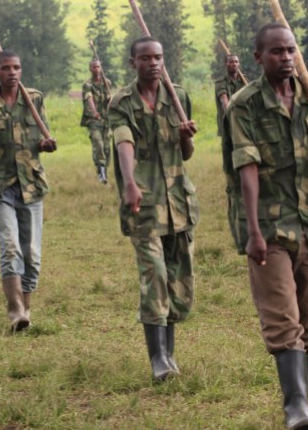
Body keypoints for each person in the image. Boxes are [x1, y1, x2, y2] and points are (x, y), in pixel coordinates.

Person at [223, 23, 308, 430]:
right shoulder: (245, 105)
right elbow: (247, 167)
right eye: (277, 51)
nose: (286, 58)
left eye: (291, 50)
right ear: (258, 57)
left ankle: (302, 405)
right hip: (270, 227)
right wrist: (254, 231)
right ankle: (295, 408)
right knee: (283, 317)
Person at [108, 37, 198, 382]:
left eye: (158, 57)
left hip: (178, 202)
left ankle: (170, 354)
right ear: (133, 63)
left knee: (178, 281)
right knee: (155, 275)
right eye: (145, 58)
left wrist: (186, 135)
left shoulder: (178, 96)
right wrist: (129, 182)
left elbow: (185, 154)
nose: (153, 63)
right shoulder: (122, 102)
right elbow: (123, 141)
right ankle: (157, 358)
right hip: (143, 203)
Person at [0, 49, 57, 331]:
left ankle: (27, 305)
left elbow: (41, 137)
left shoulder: (34, 99)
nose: (12, 73)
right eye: (6, 68)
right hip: (0, 186)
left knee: (31, 252)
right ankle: (15, 310)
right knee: (10, 247)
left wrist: (46, 144)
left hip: (31, 185)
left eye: (16, 68)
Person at [80, 59, 112, 183]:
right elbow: (89, 98)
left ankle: (104, 170)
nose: (97, 69)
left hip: (106, 119)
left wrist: (110, 99)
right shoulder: (87, 84)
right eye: (94, 67)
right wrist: (94, 112)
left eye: (98, 67)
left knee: (107, 147)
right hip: (94, 119)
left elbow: (109, 101)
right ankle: (101, 173)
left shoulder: (107, 83)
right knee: (98, 143)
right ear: (90, 69)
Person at [214, 54, 245, 137]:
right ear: (226, 65)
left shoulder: (244, 81)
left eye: (236, 62)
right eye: (231, 62)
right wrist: (233, 118)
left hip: (244, 121)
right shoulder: (221, 82)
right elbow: (224, 102)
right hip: (228, 121)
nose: (234, 64)